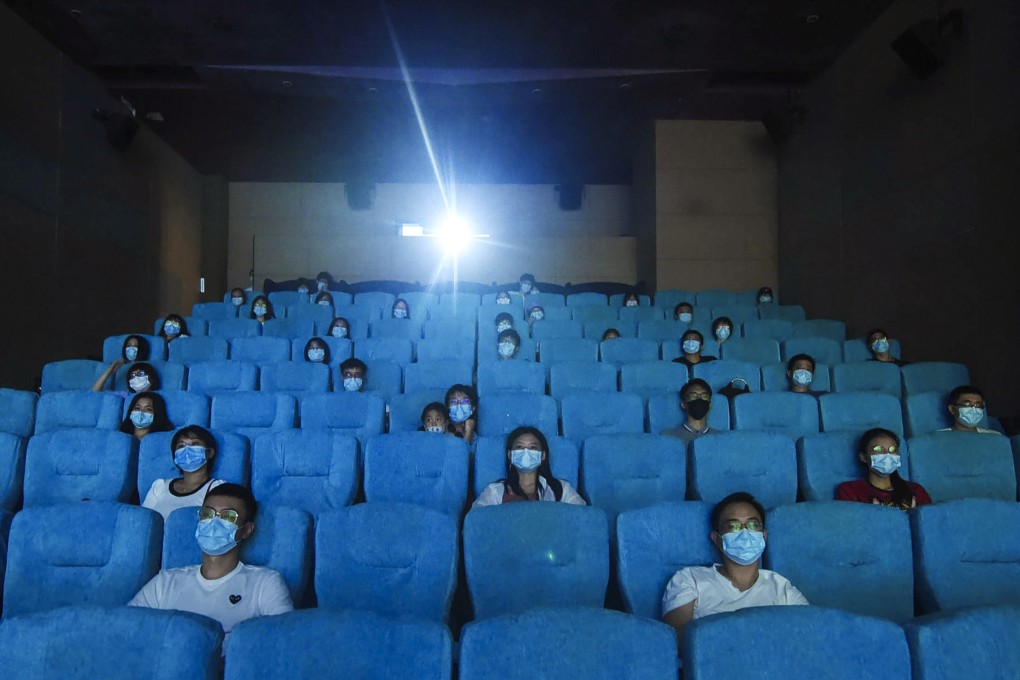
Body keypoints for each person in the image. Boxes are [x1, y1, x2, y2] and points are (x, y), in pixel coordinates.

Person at [130, 484, 293, 644]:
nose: (214, 523)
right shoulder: (164, 582)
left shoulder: (266, 583)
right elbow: (127, 628)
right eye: (208, 514)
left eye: (228, 517)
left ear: (247, 530)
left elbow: (283, 642)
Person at [661, 491, 808, 648]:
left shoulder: (782, 588)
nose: (745, 533)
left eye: (753, 525)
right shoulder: (689, 580)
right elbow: (678, 643)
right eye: (733, 526)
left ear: (764, 536)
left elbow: (812, 633)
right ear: (717, 539)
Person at [472, 426, 585, 507]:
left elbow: (584, 518)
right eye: (519, 447)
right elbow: (475, 523)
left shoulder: (561, 489)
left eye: (533, 448)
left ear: (543, 455)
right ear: (510, 455)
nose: (526, 452)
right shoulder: (494, 492)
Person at [140, 425, 226, 520]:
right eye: (181, 446)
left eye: (194, 444)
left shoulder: (218, 488)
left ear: (210, 453)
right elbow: (143, 521)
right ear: (175, 455)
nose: (187, 450)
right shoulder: (159, 486)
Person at [836, 428, 932, 509]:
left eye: (892, 450)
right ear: (863, 457)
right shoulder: (850, 491)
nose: (887, 455)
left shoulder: (916, 491)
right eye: (878, 450)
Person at [662, 379, 715, 443]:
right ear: (683, 404)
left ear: (710, 405)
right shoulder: (668, 437)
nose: (699, 399)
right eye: (693, 396)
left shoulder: (721, 438)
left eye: (704, 396)